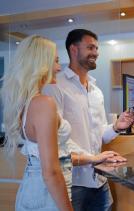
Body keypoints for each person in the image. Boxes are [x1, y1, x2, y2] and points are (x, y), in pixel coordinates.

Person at [43, 29, 134, 211]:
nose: (96, 53)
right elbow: (56, 140)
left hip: (99, 178)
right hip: (73, 181)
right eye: (90, 47)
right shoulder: (55, 86)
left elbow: (99, 134)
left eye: (96, 48)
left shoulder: (96, 91)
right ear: (74, 49)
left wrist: (116, 127)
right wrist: (92, 158)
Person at [1, 35, 73, 210]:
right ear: (41, 64)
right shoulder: (43, 103)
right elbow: (50, 172)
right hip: (46, 193)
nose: (58, 67)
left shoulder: (26, 102)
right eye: (55, 61)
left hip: (34, 187)